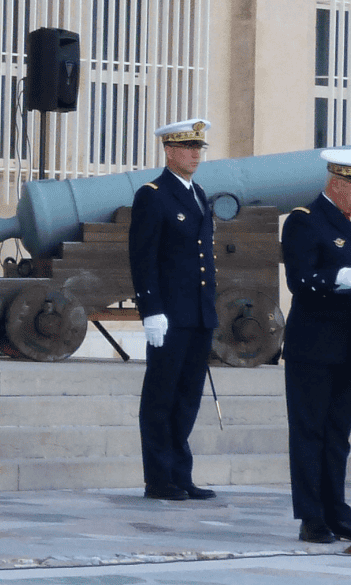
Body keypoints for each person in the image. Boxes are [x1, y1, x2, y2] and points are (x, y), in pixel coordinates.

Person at [280, 148, 351, 544]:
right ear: (338, 183)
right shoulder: (305, 220)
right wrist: (338, 276)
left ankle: (337, 511)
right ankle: (312, 516)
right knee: (310, 431)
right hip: (315, 345)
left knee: (338, 433)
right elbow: (300, 278)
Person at [128, 118, 218, 501]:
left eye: (199, 148)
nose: (195, 154)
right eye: (188, 147)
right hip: (169, 315)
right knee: (161, 397)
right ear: (169, 151)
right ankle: (158, 478)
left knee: (187, 397)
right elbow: (143, 257)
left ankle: (181, 474)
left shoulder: (198, 193)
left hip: (198, 314)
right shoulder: (153, 195)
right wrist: (151, 309)